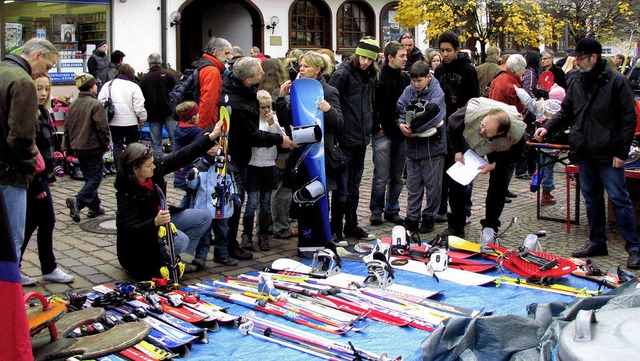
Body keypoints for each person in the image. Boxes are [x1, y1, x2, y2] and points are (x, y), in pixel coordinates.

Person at [534, 38, 640, 269]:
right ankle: (597, 241)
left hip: (609, 152)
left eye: (580, 58)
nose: (576, 61)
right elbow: (566, 111)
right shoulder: (577, 80)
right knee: (591, 199)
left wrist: (621, 151)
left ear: (593, 57)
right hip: (585, 150)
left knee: (620, 200)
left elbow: (628, 119)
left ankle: (634, 247)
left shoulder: (617, 81)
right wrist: (548, 127)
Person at [115, 121, 223, 280]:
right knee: (181, 240)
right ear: (135, 170)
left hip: (163, 220)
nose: (153, 168)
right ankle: (164, 258)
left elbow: (182, 156)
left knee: (203, 217)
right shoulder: (126, 191)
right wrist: (154, 222)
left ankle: (172, 257)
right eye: (148, 166)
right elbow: (129, 229)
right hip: (142, 239)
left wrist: (210, 138)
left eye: (153, 164)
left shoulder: (154, 170)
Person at [220, 57, 297, 261]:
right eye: (258, 72)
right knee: (242, 202)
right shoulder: (239, 103)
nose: (263, 74)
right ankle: (232, 243)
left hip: (262, 162)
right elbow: (253, 135)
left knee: (261, 201)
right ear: (247, 79)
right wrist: (280, 139)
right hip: (243, 160)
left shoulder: (241, 92)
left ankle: (257, 235)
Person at [275, 51, 343, 245]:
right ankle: (306, 239)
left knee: (319, 193)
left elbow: (339, 124)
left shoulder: (328, 91)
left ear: (318, 69)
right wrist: (281, 99)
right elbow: (286, 120)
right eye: (301, 65)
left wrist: (328, 110)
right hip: (301, 152)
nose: (301, 69)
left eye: (306, 66)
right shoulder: (296, 88)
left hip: (321, 153)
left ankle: (323, 237)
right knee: (303, 196)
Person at [1, 38, 58, 264]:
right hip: (11, 171)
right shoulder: (23, 82)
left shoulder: (4, 70)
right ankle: (9, 296)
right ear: (37, 56)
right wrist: (32, 165)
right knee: (12, 240)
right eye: (47, 66)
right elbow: (21, 137)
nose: (44, 72)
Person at [446, 98, 526, 241]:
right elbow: (452, 127)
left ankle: (490, 226)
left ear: (500, 132)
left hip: (502, 150)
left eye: (488, 131)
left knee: (498, 185)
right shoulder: (471, 113)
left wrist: (494, 165)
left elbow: (515, 156)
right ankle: (456, 226)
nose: (483, 131)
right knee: (457, 180)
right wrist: (457, 150)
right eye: (483, 125)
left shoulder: (516, 134)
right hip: (469, 139)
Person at [20, 74, 74, 285]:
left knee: (38, 221)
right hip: (33, 179)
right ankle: (31, 267)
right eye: (38, 88)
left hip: (41, 177)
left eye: (46, 89)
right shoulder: (28, 114)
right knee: (35, 222)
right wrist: (36, 184)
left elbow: (49, 145)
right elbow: (27, 151)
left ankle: (44, 267)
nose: (43, 94)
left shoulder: (43, 112)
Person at [329, 38, 380, 240]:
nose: (365, 62)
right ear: (356, 54)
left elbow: (370, 104)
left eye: (369, 58)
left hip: (360, 140)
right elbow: (332, 105)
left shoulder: (370, 76)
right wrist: (335, 137)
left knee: (354, 188)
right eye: (362, 57)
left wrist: (371, 128)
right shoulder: (342, 74)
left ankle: (352, 225)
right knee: (342, 190)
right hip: (344, 140)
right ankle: (336, 229)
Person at [433, 30, 480, 226]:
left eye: (448, 50)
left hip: (463, 126)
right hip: (443, 125)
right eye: (442, 50)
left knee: (462, 170)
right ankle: (442, 209)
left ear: (457, 50)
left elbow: (474, 99)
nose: (445, 54)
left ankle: (464, 211)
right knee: (443, 169)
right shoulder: (440, 71)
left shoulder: (468, 70)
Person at [397, 61, 447, 241]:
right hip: (412, 146)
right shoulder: (408, 91)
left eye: (419, 80)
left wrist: (415, 127)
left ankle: (429, 216)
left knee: (432, 185)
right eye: (413, 80)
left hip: (432, 146)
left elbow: (435, 116)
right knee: (413, 185)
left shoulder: (437, 93)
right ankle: (412, 217)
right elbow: (401, 108)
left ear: (428, 77)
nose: (416, 84)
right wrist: (402, 125)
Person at [369, 41, 410, 226]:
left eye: (406, 55)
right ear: (390, 57)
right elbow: (372, 104)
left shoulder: (405, 78)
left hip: (400, 132)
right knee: (381, 176)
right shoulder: (377, 77)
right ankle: (376, 210)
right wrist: (376, 126)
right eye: (401, 55)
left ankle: (392, 209)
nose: (405, 58)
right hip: (382, 132)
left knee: (397, 176)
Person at [64, 73, 111, 223]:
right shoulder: (95, 104)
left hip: (78, 147)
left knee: (90, 177)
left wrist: (68, 147)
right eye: (95, 84)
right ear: (91, 86)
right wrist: (105, 144)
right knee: (96, 177)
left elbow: (67, 127)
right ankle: (78, 201)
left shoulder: (74, 104)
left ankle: (94, 207)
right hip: (92, 146)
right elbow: (102, 128)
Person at [241, 90, 285, 251]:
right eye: (263, 107)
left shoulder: (272, 118)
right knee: (252, 202)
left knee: (265, 203)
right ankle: (246, 234)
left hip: (269, 164)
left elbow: (281, 138)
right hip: (253, 164)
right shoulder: (252, 120)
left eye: (268, 107)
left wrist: (273, 123)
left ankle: (263, 234)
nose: (266, 110)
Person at [515, 83, 566, 205]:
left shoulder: (541, 106)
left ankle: (536, 181)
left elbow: (529, 102)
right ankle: (546, 192)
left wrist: (518, 90)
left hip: (540, 143)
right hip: (553, 146)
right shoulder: (563, 110)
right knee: (548, 168)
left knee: (541, 166)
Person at [97, 63, 147, 165]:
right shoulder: (134, 86)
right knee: (132, 146)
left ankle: (118, 167)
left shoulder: (108, 85)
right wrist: (142, 118)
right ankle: (131, 165)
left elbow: (100, 102)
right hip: (131, 121)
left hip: (114, 121)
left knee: (117, 145)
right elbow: (139, 106)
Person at [140, 53, 178, 158]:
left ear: (149, 64)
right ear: (161, 62)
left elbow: (142, 97)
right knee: (174, 139)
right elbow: (177, 91)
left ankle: (158, 164)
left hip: (152, 113)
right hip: (169, 111)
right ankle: (177, 163)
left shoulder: (144, 78)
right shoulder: (169, 75)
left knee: (156, 142)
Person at [196, 37, 232, 130]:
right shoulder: (212, 71)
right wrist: (203, 129)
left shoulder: (204, 64)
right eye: (226, 53)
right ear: (215, 52)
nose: (229, 57)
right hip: (208, 124)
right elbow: (208, 101)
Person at [173, 101, 204, 192]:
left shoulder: (178, 129)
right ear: (194, 116)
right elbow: (197, 151)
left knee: (188, 196)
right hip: (191, 171)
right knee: (192, 197)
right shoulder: (196, 131)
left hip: (180, 170)